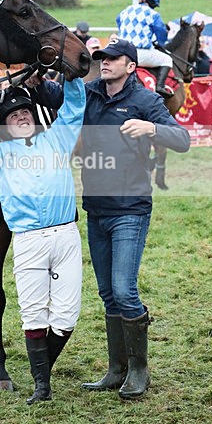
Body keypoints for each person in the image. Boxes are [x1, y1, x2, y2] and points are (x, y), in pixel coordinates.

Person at [80, 39, 190, 399]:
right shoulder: (89, 93)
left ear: (131, 66)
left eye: (113, 59)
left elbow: (183, 139)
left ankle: (139, 371)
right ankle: (116, 370)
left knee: (125, 291)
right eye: (103, 59)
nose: (105, 63)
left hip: (130, 210)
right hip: (96, 209)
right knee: (108, 294)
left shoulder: (145, 100)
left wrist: (151, 129)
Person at [0, 78, 86, 405]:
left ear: (34, 116)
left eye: (25, 112)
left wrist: (70, 78)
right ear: (4, 124)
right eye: (13, 115)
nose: (21, 117)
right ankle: (41, 386)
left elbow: (74, 110)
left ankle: (43, 371)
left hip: (66, 237)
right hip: (28, 240)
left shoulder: (58, 138)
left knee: (66, 316)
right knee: (33, 315)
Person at [115, 0, 173, 97]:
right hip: (138, 53)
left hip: (120, 51)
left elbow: (119, 22)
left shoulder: (125, 10)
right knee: (167, 59)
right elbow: (161, 36)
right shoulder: (153, 14)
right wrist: (161, 42)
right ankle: (160, 87)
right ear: (152, 3)